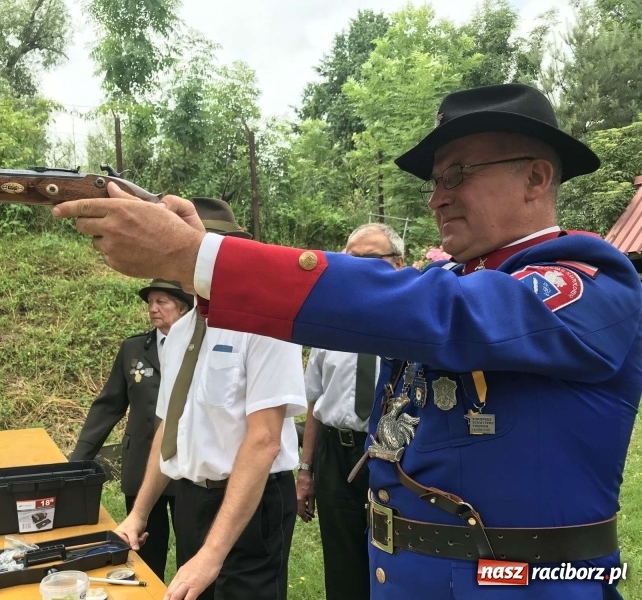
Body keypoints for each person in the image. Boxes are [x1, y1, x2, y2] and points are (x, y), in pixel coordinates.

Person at [54, 83, 642, 599]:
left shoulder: (590, 281)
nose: (437, 197)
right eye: (437, 180)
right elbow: (390, 299)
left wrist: (204, 259)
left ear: (537, 177)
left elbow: (434, 311)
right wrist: (197, 258)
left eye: (458, 174)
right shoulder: (450, 282)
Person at [112, 197, 306, 600]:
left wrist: (213, 554)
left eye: (189, 251)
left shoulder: (267, 324)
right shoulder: (181, 332)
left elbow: (265, 440)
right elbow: (169, 428)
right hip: (192, 499)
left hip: (252, 503)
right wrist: (138, 514)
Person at [297, 222, 404, 600]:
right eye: (349, 258)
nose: (356, 267)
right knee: (342, 564)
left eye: (369, 258)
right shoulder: (329, 323)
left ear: (397, 262)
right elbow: (315, 401)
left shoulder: (412, 322)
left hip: (395, 458)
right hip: (336, 455)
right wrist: (306, 470)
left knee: (394, 561)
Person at [70, 279, 193, 580]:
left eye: (162, 301)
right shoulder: (134, 349)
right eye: (150, 302)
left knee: (191, 552)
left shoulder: (200, 348)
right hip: (141, 466)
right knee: (144, 554)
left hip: (187, 467)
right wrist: (77, 461)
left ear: (183, 306)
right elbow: (108, 406)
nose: (153, 308)